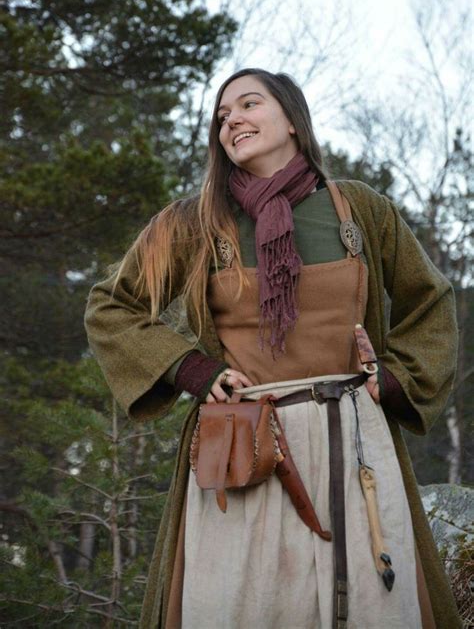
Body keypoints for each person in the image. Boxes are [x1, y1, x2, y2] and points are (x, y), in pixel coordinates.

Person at [85, 68, 460, 629]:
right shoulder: (191, 224)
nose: (230, 120)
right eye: (221, 115)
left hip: (356, 438)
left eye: (248, 104)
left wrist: (396, 379)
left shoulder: (358, 209)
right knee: (243, 605)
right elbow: (110, 307)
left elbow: (430, 299)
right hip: (245, 448)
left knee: (375, 604)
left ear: (291, 117)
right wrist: (190, 367)